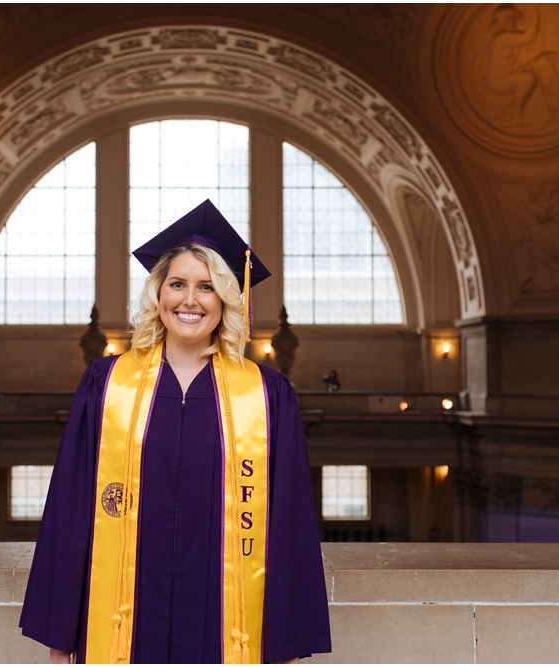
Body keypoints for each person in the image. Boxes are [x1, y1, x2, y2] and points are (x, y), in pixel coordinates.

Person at [20, 200, 331, 664]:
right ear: (157, 294)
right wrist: (60, 636)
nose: (190, 300)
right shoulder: (107, 386)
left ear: (226, 299)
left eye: (207, 287)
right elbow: (72, 507)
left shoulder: (266, 396)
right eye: (178, 284)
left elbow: (288, 523)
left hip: (225, 619)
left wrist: (282, 645)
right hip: (127, 616)